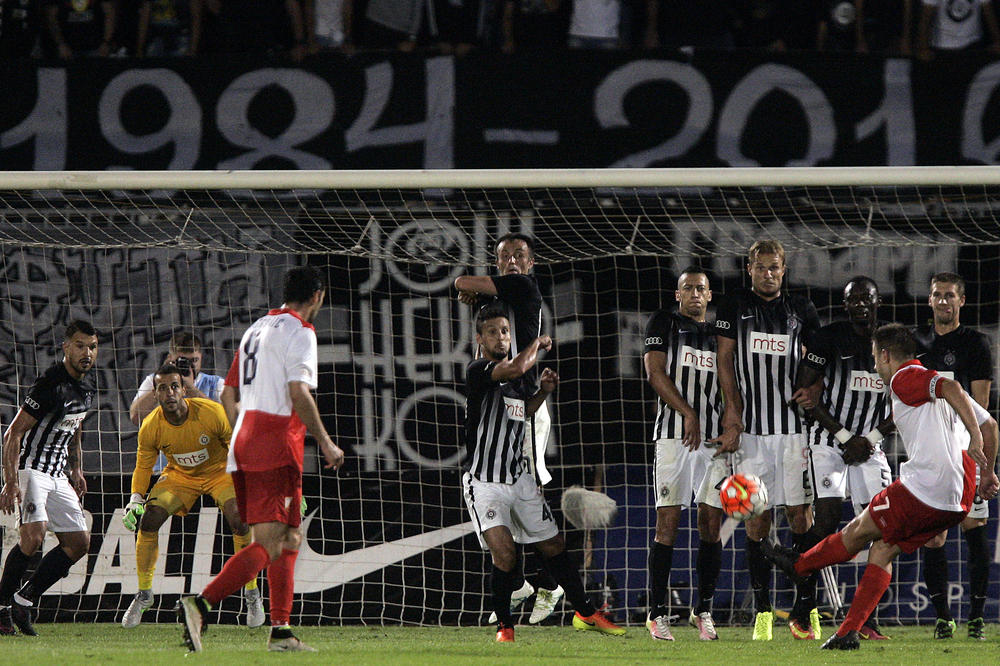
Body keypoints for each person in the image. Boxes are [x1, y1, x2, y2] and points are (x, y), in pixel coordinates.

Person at [765, 323, 998, 651]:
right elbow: (992, 424)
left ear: (886, 355)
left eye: (875, 357)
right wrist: (986, 473)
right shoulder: (921, 382)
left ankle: (799, 565)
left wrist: (973, 438)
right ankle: (847, 632)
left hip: (925, 489)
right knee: (883, 549)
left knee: (857, 532)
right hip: (957, 499)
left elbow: (954, 389)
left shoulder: (906, 377)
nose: (874, 365)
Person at [177, 265, 344, 653]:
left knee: (288, 537)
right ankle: (201, 604)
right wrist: (325, 441)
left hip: (245, 441)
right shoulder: (301, 331)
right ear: (317, 296)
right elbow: (299, 392)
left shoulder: (256, 329)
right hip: (275, 442)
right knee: (271, 543)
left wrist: (242, 436)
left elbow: (227, 394)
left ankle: (281, 631)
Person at [463, 304, 624, 642]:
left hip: (518, 478)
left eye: (505, 331)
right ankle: (505, 626)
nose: (501, 337)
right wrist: (536, 343)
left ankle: (585, 612)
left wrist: (544, 393)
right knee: (505, 554)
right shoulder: (479, 370)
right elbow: (518, 365)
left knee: (554, 545)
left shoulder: (516, 380)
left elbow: (523, 414)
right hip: (485, 482)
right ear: (479, 339)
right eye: (493, 332)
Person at [713, 239, 821, 641]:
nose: (768, 273)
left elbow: (820, 357)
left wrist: (816, 390)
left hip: (794, 432)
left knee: (800, 518)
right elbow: (725, 361)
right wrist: (732, 411)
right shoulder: (733, 305)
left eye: (774, 267)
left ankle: (805, 609)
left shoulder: (802, 310)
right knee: (756, 519)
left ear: (784, 268)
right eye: (761, 267)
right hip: (753, 434)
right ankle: (761, 611)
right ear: (749, 268)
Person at [455, 233, 565, 626]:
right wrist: (473, 296)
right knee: (497, 493)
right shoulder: (497, 303)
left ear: (531, 264)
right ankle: (518, 582)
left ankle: (550, 584)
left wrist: (464, 289)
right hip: (497, 403)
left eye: (520, 256)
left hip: (523, 407)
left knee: (525, 491)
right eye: (506, 258)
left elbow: (460, 283)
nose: (514, 262)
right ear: (497, 263)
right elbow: (473, 294)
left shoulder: (522, 285)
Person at [120, 363, 264, 629]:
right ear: (156, 393)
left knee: (240, 519)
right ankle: (144, 594)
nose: (170, 393)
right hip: (180, 476)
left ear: (184, 389)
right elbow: (143, 466)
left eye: (175, 386)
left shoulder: (212, 412)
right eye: (163, 388)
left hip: (220, 472)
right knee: (148, 520)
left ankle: (252, 593)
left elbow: (238, 446)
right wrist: (136, 498)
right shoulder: (151, 426)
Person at [795, 276, 893, 640]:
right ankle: (805, 607)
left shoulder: (891, 342)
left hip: (871, 445)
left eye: (866, 298)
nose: (860, 305)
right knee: (827, 519)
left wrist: (869, 439)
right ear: (845, 303)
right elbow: (804, 393)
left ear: (878, 301)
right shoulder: (828, 338)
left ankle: (867, 619)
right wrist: (844, 437)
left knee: (882, 529)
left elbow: (904, 402)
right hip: (828, 439)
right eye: (853, 299)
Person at [642, 266, 727, 641]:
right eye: (688, 288)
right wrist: (687, 412)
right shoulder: (664, 323)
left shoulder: (721, 334)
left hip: (713, 443)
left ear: (709, 296)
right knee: (668, 525)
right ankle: (656, 613)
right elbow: (654, 373)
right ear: (679, 295)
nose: (695, 294)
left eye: (701, 289)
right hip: (674, 437)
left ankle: (703, 609)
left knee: (711, 523)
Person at [0, 320, 99, 637]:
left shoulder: (86, 388)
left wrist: (77, 469)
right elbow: (13, 433)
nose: (87, 353)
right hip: (33, 471)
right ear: (66, 347)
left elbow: (76, 428)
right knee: (33, 535)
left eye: (93, 347)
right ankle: (1, 609)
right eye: (81, 345)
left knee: (79, 543)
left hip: (59, 475)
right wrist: (12, 481)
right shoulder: (49, 385)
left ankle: (23, 599)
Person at [913, 272, 994, 640]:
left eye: (950, 295)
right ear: (929, 300)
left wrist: (984, 464)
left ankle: (976, 616)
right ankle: (943, 617)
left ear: (961, 301)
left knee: (973, 528)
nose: (943, 301)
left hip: (964, 449)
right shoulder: (918, 343)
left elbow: (982, 408)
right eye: (937, 295)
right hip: (930, 452)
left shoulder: (976, 344)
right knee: (933, 536)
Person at [130, 331, 226, 427]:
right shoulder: (154, 381)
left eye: (194, 360)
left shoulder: (215, 383)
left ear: (201, 357)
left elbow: (225, 419)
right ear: (170, 359)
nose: (190, 366)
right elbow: (136, 417)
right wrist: (163, 382)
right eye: (183, 361)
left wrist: (190, 388)